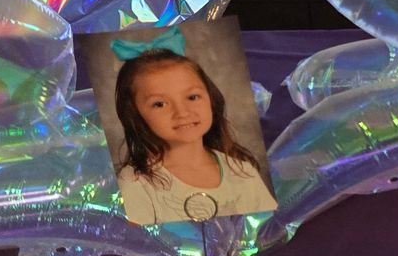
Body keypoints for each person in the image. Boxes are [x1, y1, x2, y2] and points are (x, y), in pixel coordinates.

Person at [108, 27, 278, 225]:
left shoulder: (242, 169)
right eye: (160, 104)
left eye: (192, 97)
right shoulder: (135, 183)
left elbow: (265, 229)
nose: (182, 112)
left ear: (210, 99)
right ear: (135, 114)